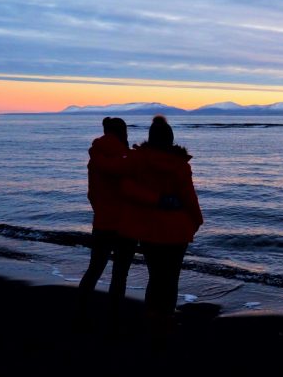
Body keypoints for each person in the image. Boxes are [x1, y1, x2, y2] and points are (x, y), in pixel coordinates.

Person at [120, 115, 203, 333]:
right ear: (170, 139)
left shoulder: (138, 160)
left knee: (155, 275)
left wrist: (153, 200)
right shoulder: (179, 164)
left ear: (151, 137)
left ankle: (151, 316)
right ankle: (166, 318)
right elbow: (189, 197)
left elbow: (126, 187)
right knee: (171, 277)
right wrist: (197, 220)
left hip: (149, 230)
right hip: (177, 230)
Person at [77, 117, 138, 325]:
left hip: (102, 221)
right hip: (125, 223)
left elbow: (92, 193)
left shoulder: (95, 157)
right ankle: (114, 317)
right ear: (123, 133)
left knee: (95, 267)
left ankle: (81, 310)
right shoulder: (128, 159)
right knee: (120, 273)